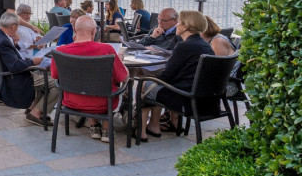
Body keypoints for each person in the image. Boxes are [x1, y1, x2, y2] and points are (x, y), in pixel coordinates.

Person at [51, 16, 129, 143]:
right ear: (94, 32)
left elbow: (55, 76)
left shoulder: (61, 51)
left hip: (72, 102)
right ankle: (106, 129)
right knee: (111, 83)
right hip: (103, 103)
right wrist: (120, 60)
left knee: (85, 81)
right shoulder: (106, 50)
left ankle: (94, 126)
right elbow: (123, 77)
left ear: (75, 31)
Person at [139, 10, 215, 141]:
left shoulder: (184, 46)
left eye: (179, 23)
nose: (177, 25)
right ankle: (153, 125)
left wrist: (146, 80)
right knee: (151, 84)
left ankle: (142, 131)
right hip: (205, 99)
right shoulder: (205, 46)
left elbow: (166, 77)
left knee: (144, 84)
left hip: (185, 99)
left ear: (185, 27)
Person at [0, 11, 58, 126]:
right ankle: (36, 113)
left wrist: (14, 43)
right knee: (57, 83)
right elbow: (14, 66)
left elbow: (10, 58)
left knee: (47, 77)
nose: (18, 29)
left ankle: (33, 108)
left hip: (8, 75)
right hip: (16, 78)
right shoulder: (3, 41)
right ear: (12, 26)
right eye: (18, 26)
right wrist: (33, 62)